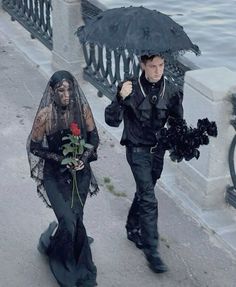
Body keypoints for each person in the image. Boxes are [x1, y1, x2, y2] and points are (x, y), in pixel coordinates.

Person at [105, 54, 183, 273]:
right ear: (142, 65)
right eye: (152, 66)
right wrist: (120, 98)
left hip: (158, 152)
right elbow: (111, 120)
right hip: (137, 150)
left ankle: (132, 227)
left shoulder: (172, 89)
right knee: (149, 199)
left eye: (161, 65)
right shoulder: (129, 86)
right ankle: (152, 252)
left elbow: (178, 122)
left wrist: (183, 140)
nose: (158, 71)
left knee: (143, 193)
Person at [27, 70, 99, 287]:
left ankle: (59, 246)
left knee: (75, 218)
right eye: (61, 90)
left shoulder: (83, 110)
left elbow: (94, 138)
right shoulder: (45, 116)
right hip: (54, 176)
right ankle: (65, 268)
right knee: (68, 220)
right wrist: (61, 159)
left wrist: (83, 159)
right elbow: (34, 147)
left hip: (80, 174)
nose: (66, 94)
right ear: (52, 91)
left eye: (69, 89)